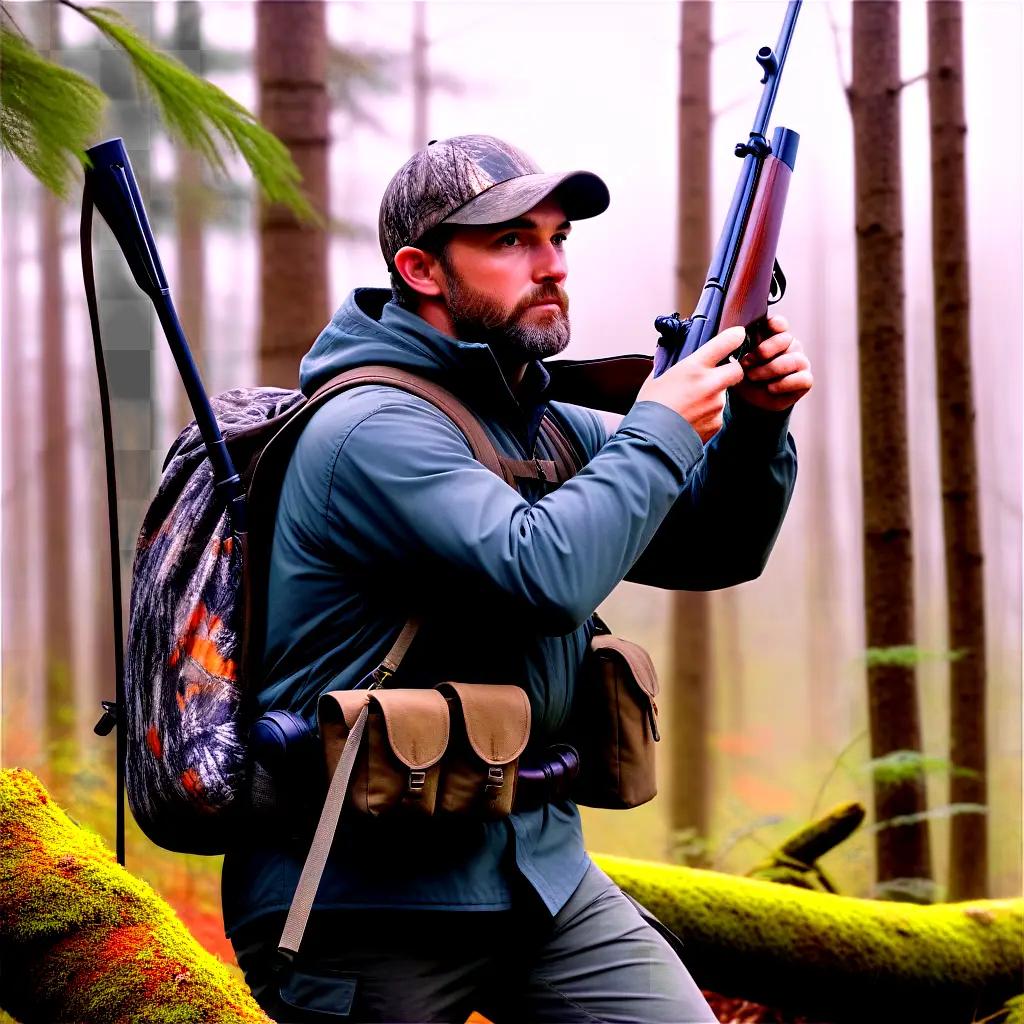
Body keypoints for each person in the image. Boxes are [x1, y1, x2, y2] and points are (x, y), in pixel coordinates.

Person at [223, 134, 812, 1023]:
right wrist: (659, 428)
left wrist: (757, 429)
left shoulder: (548, 426)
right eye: (511, 241)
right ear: (422, 269)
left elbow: (714, 548)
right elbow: (541, 575)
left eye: (559, 238)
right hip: (362, 898)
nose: (550, 266)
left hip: (540, 876)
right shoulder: (370, 429)